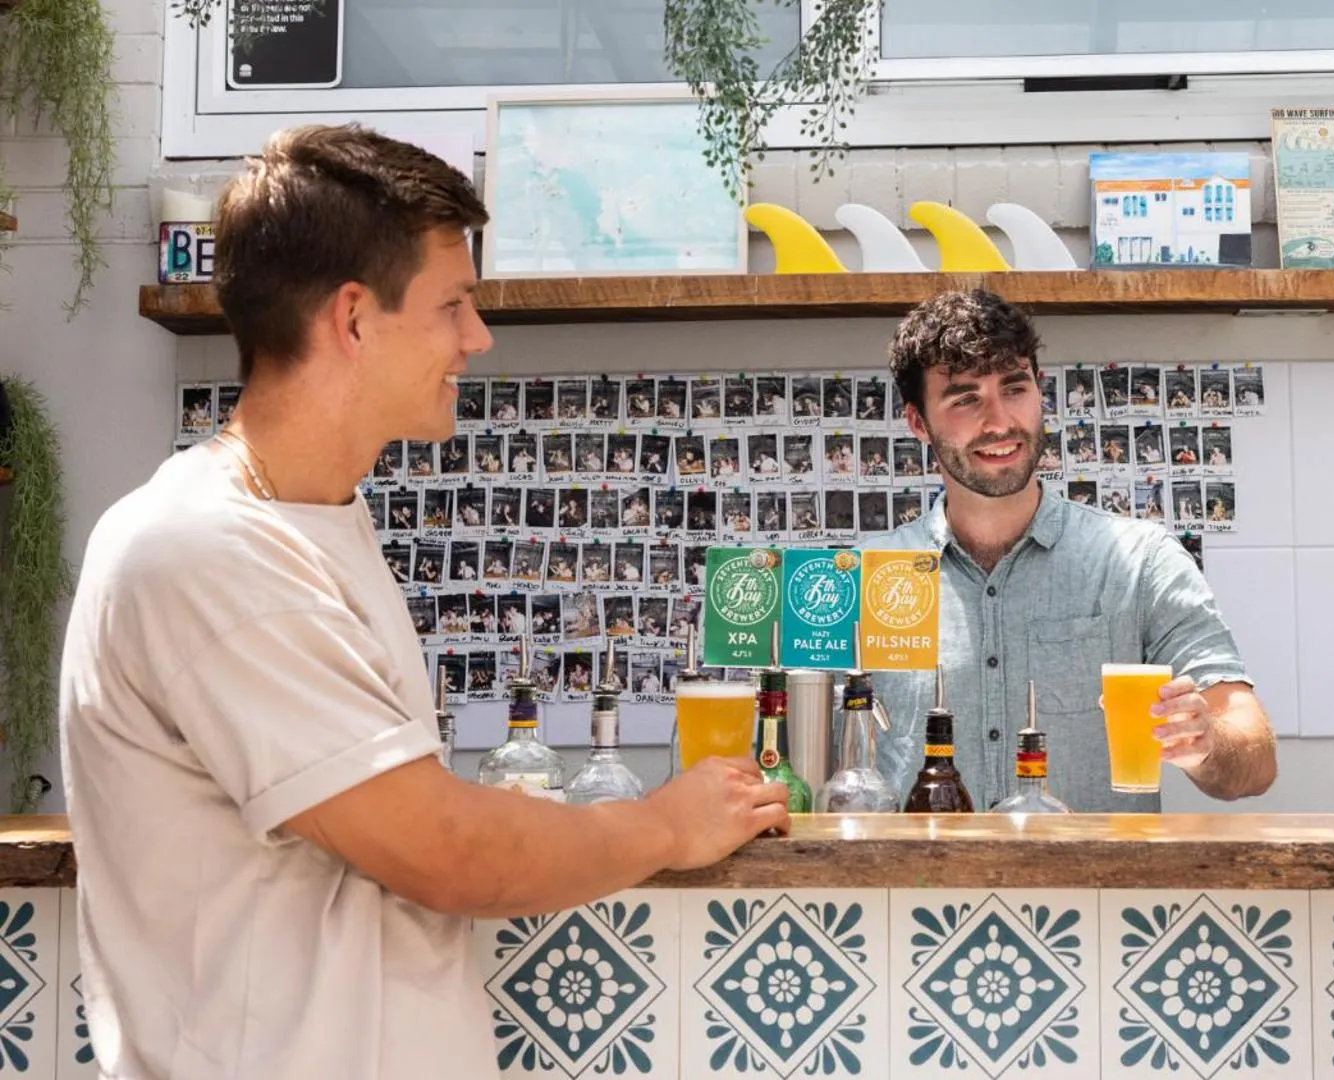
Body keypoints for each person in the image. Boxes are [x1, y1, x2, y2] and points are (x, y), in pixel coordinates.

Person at [57, 125, 792, 1080]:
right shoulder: (200, 548)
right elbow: (441, 851)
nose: (476, 339)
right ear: (353, 319)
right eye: (453, 305)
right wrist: (664, 824)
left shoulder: (317, 521)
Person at [864, 290, 1276, 812]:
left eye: (1015, 388)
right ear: (917, 421)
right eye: (965, 398)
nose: (999, 421)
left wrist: (1205, 742)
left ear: (1041, 396)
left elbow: (1256, 764)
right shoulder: (862, 578)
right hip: (916, 892)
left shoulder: (1140, 560)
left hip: (1096, 891)